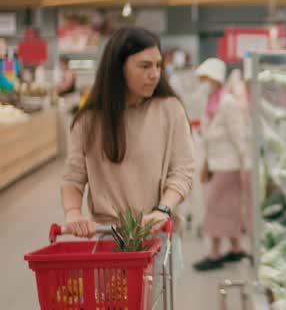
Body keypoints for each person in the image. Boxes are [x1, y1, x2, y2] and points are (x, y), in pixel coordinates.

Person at [60, 26, 195, 238]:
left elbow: (182, 171)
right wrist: (73, 213)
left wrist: (164, 209)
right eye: (144, 66)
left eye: (158, 65)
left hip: (158, 235)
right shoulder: (89, 122)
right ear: (118, 68)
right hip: (109, 237)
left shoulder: (170, 110)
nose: (154, 74)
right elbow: (73, 177)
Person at [193, 58, 251, 271]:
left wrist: (244, 165)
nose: (203, 83)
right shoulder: (212, 101)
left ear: (215, 78)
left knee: (215, 207)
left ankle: (214, 253)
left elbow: (239, 136)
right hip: (217, 163)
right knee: (229, 208)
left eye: (205, 79)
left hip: (230, 164)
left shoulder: (228, 103)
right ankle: (236, 248)